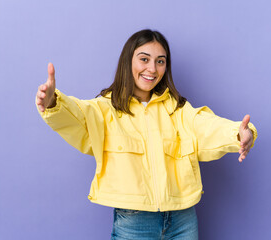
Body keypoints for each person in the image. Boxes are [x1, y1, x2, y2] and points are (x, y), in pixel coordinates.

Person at [36, 29, 257, 240]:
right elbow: (79, 114)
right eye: (144, 59)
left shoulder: (178, 109)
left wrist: (239, 133)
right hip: (134, 222)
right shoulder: (105, 108)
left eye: (160, 61)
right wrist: (54, 102)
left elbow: (206, 126)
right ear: (128, 61)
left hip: (183, 218)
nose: (152, 68)